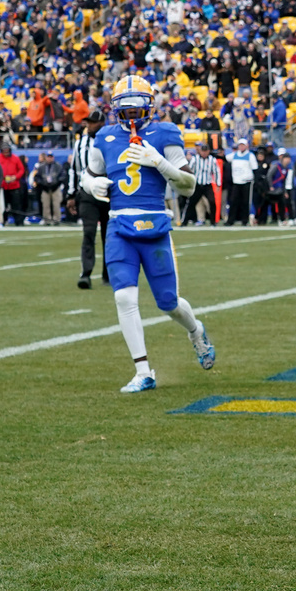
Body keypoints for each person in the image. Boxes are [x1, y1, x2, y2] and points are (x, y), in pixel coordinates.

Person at [79, 75, 214, 393]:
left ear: (149, 106)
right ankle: (143, 371)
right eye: (126, 109)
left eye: (137, 108)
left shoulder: (165, 133)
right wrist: (91, 185)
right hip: (119, 226)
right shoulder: (105, 137)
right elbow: (90, 173)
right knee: (123, 296)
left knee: (168, 304)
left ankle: (195, 330)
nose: (132, 115)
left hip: (155, 226)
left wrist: (160, 163)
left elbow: (188, 185)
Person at [71, 110, 111, 287]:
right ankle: (86, 273)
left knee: (109, 235)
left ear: (102, 124)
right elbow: (75, 169)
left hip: (108, 192)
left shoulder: (110, 141)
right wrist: (71, 194)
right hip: (87, 193)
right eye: (88, 122)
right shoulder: (80, 143)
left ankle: (108, 274)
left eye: (93, 122)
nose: (89, 125)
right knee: (88, 233)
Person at [183, 141, 220, 226]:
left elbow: (216, 171)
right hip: (197, 184)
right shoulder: (195, 159)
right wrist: (189, 183)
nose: (204, 153)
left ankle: (213, 222)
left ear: (208, 151)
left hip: (207, 184)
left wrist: (218, 184)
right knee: (191, 203)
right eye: (202, 151)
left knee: (212, 202)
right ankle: (184, 222)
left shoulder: (212, 160)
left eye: (205, 151)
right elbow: (190, 171)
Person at [225, 138, 257, 225]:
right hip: (236, 182)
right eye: (240, 145)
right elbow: (225, 158)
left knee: (245, 202)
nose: (241, 147)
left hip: (246, 182)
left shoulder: (250, 156)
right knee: (233, 201)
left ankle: (244, 220)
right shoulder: (234, 155)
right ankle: (230, 220)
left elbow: (255, 169)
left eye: (243, 145)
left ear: (246, 146)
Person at [0, 143, 26, 225]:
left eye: (7, 151)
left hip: (14, 185)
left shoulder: (15, 158)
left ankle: (19, 222)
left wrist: (15, 177)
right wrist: (2, 178)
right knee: (3, 205)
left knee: (16, 205)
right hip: (3, 185)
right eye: (4, 151)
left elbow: (21, 170)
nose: (6, 152)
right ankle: (3, 221)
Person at [34, 152, 67, 225]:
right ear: (46, 157)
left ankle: (57, 220)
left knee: (56, 204)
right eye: (48, 157)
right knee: (46, 205)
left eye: (51, 157)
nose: (49, 158)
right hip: (45, 188)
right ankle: (47, 220)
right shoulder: (42, 167)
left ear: (53, 157)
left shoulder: (58, 166)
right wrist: (42, 184)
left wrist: (57, 183)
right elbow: (37, 177)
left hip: (55, 188)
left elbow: (63, 176)